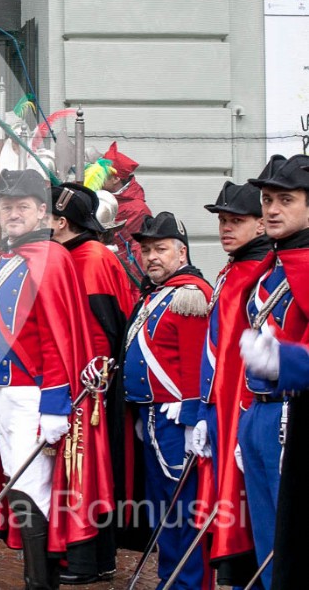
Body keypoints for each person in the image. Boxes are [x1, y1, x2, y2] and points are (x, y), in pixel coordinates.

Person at [0, 170, 112, 590]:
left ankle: (40, 582)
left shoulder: (51, 258)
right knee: (16, 483)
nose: (13, 213)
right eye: (6, 206)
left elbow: (57, 338)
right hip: (1, 393)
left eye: (22, 206)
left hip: (34, 394)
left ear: (42, 211)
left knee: (32, 489)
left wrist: (54, 405)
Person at [48, 182, 136, 584]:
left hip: (88, 389)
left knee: (84, 471)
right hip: (72, 384)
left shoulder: (91, 258)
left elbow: (101, 329)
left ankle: (88, 559)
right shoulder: (71, 255)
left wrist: (86, 380)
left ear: (62, 222)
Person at [122, 212, 212, 590]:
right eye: (146, 251)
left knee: (184, 506)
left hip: (176, 419)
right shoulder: (157, 293)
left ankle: (189, 582)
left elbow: (197, 362)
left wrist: (192, 417)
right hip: (152, 414)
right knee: (163, 507)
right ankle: (169, 579)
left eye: (160, 249)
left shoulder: (190, 293)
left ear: (182, 252)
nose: (151, 257)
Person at [236, 154, 309, 589]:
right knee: (267, 538)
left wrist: (288, 362)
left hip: (291, 414)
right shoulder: (273, 267)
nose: (272, 210)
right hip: (261, 413)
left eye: (286, 200)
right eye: (266, 200)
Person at [194, 181, 268, 585]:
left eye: (235, 221)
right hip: (218, 407)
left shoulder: (256, 271)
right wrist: (204, 409)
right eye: (222, 221)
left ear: (260, 224)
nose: (225, 228)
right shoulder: (233, 269)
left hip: (242, 407)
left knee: (247, 504)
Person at [92, 142, 153, 284]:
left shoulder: (137, 209)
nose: (96, 177)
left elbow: (133, 252)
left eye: (101, 174)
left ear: (116, 179)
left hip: (121, 276)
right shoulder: (101, 196)